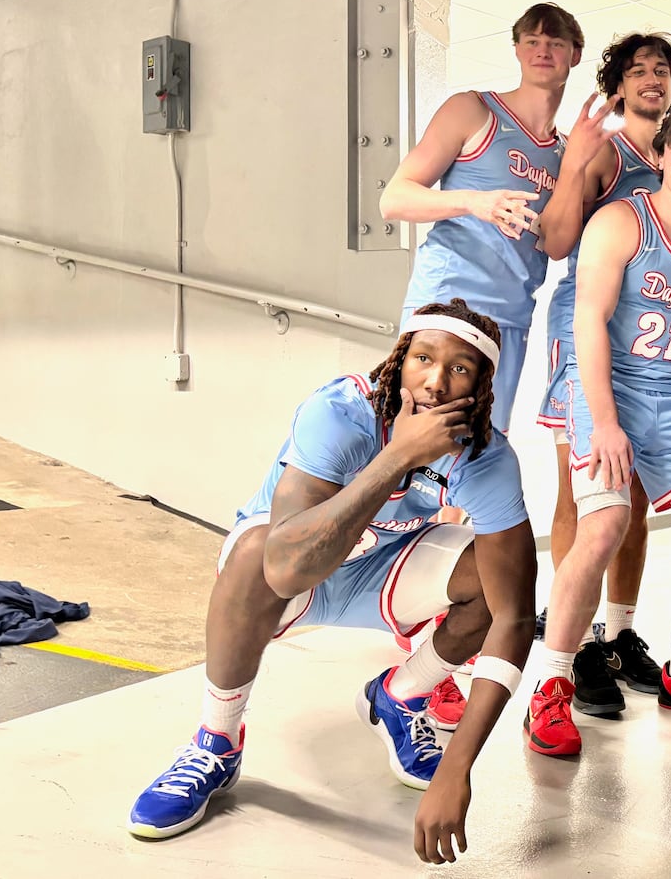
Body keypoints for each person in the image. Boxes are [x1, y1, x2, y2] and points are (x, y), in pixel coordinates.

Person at [128, 301, 539, 867]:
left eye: (460, 368)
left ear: (484, 383)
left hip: (382, 569)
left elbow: (516, 616)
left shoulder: (486, 458)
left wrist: (458, 768)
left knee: (495, 583)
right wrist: (397, 457)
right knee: (253, 553)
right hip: (288, 573)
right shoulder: (343, 411)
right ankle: (216, 743)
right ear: (401, 358)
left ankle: (398, 698)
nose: (436, 381)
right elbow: (285, 565)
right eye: (423, 357)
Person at [524, 106, 671, 757]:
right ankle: (552, 684)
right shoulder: (622, 220)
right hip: (604, 388)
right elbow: (587, 323)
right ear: (659, 157)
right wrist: (601, 420)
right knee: (601, 528)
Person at [532, 32, 671, 714]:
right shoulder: (606, 149)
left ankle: (620, 634)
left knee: (639, 494)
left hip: (651, 340)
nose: (652, 78)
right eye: (639, 70)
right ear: (619, 86)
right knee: (587, 491)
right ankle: (575, 650)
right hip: (587, 327)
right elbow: (558, 237)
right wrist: (570, 167)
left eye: (663, 70)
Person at [381, 3, 583, 432]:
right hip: (449, 300)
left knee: (481, 444)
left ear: (575, 54)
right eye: (532, 41)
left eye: (555, 43)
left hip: (511, 315)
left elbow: (556, 242)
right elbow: (394, 198)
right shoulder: (474, 110)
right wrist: (475, 202)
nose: (542, 51)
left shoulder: (566, 152)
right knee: (416, 439)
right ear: (517, 50)